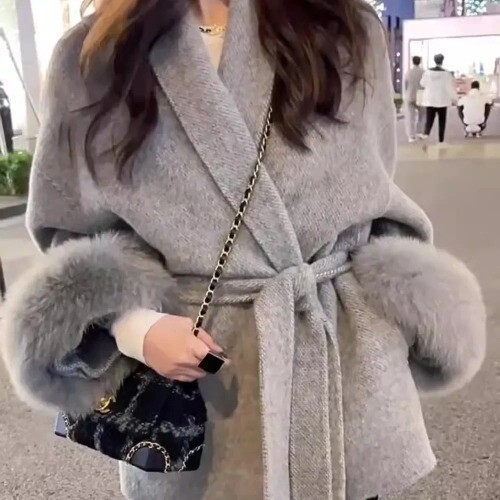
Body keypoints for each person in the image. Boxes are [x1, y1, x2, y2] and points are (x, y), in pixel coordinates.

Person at [0, 1, 486, 500]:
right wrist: (136, 328)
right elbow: (70, 229)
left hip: (340, 373)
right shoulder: (95, 54)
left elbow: (377, 194)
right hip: (196, 383)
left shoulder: (345, 27)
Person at [420, 54, 457, 144]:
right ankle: (441, 140)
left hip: (430, 99)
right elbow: (449, 87)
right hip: (442, 100)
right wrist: (455, 99)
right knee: (442, 121)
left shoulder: (427, 73)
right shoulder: (446, 74)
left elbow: (422, 83)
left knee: (429, 119)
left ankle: (426, 133)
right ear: (442, 61)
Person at [404, 56, 426, 142]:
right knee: (422, 115)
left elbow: (406, 85)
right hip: (420, 95)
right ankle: (419, 132)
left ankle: (411, 136)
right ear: (420, 62)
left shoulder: (408, 72)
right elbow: (426, 85)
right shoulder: (423, 72)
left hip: (410, 95)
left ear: (413, 62)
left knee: (410, 117)